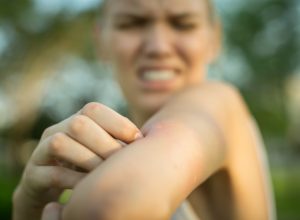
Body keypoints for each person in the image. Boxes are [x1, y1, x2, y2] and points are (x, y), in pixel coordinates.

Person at [13, 0, 276, 219]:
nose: (158, 47)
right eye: (132, 23)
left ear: (214, 39)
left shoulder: (220, 103)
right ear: (101, 41)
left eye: (183, 24)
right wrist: (29, 206)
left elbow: (110, 205)